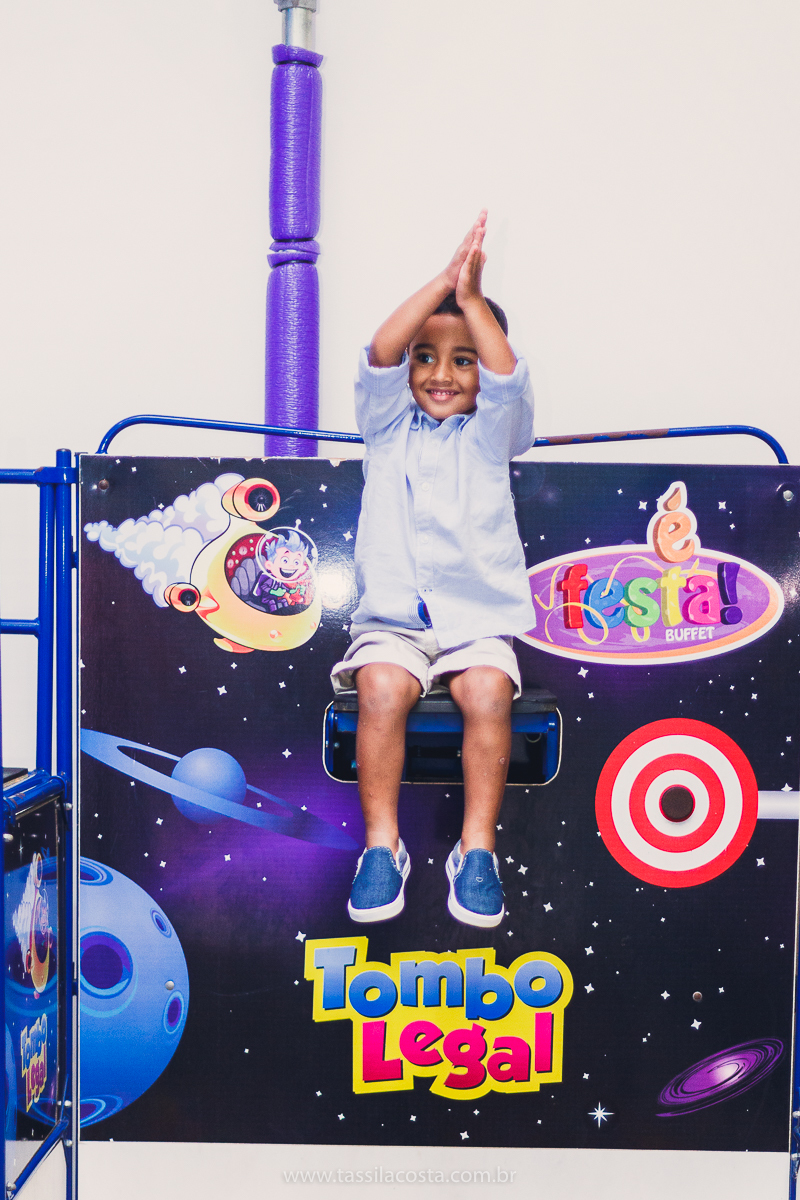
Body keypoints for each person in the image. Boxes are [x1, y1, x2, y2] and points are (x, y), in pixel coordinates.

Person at [331, 211, 535, 928]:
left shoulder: (491, 436)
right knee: (381, 688)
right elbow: (378, 352)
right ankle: (381, 846)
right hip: (393, 624)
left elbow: (507, 379)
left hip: (474, 622)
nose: (441, 374)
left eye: (462, 358)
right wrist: (445, 282)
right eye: (427, 357)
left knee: (486, 691)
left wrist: (473, 302)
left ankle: (476, 848)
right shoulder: (386, 429)